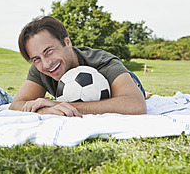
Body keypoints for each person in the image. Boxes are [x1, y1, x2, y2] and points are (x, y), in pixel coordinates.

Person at [9, 16, 147, 116]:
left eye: (49, 51)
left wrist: (59, 105)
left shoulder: (104, 62)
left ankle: (146, 93)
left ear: (67, 42)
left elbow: (136, 104)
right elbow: (16, 104)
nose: (46, 63)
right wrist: (45, 110)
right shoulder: (40, 68)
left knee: (133, 91)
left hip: (128, 81)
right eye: (36, 58)